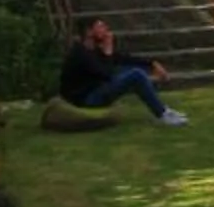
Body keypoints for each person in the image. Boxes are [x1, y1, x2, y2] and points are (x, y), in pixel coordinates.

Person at [59, 16, 187, 125]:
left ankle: (163, 110)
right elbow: (106, 75)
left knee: (130, 69)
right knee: (135, 74)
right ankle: (162, 114)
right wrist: (108, 51)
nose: (106, 30)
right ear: (89, 32)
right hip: (85, 100)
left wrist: (152, 64)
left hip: (96, 90)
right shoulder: (81, 53)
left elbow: (125, 58)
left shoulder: (95, 49)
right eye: (101, 26)